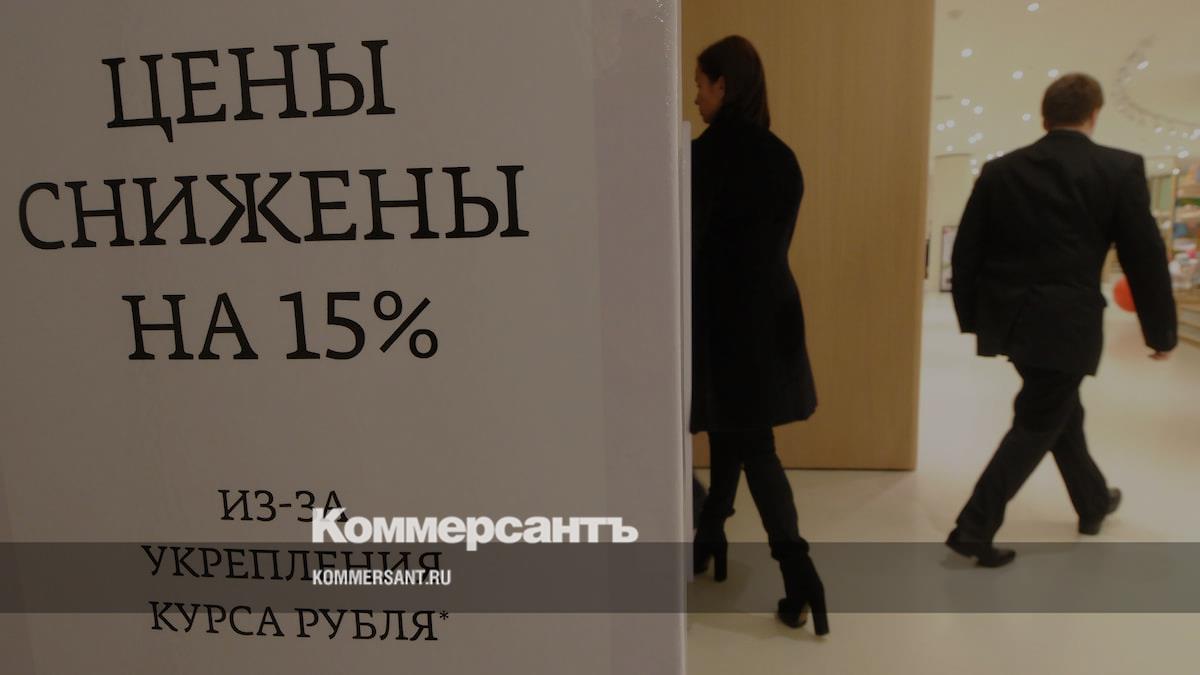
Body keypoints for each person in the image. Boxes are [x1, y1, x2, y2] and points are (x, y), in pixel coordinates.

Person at [947, 73, 1178, 567]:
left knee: (1059, 411)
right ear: (1094, 114)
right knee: (1038, 420)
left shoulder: (1001, 170)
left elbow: (967, 251)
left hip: (1013, 323)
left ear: (1044, 117)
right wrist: (1160, 332)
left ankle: (1093, 501)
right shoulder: (1118, 168)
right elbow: (1144, 258)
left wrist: (974, 319)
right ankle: (973, 527)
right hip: (1069, 324)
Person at [689, 35, 827, 634]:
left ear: (723, 85)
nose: (695, 97)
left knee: (751, 442)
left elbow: (691, 248)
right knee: (735, 429)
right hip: (772, 313)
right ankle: (710, 537)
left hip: (725, 319)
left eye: (700, 84)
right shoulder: (782, 156)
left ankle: (801, 575)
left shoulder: (701, 158)